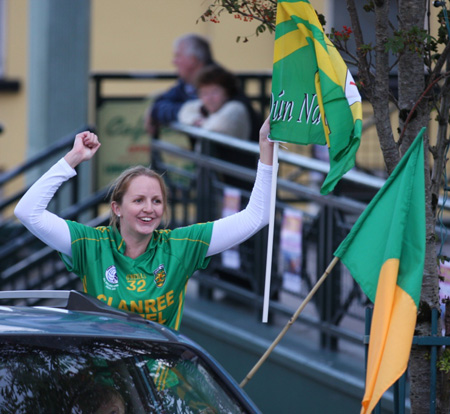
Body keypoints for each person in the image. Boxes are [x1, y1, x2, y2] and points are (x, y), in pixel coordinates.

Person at [14, 119, 274, 331]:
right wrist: (73, 158)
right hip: (107, 380)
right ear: (117, 208)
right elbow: (27, 212)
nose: (149, 209)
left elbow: (256, 217)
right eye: (138, 200)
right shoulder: (92, 244)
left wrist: (266, 148)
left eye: (157, 201)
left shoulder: (179, 246)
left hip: (157, 385)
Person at [145, 33, 214, 138]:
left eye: (178, 56)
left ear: (193, 60)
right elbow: (159, 105)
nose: (174, 62)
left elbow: (203, 111)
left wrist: (184, 112)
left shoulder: (218, 83)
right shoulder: (186, 83)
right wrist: (185, 112)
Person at [178, 65, 251, 141]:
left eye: (214, 92)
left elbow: (217, 127)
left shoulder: (236, 107)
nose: (209, 98)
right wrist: (196, 120)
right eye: (204, 93)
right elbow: (186, 110)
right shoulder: (210, 105)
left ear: (227, 92)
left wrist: (201, 123)